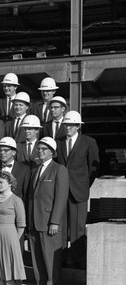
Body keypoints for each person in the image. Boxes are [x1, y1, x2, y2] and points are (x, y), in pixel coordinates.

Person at [27, 137, 69, 285]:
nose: (40, 151)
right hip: (34, 222)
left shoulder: (59, 170)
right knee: (37, 259)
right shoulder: (35, 171)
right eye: (39, 148)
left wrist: (55, 222)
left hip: (49, 223)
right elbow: (31, 198)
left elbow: (61, 198)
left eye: (44, 149)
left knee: (51, 259)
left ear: (52, 151)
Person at [56, 111, 99, 268]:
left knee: (78, 228)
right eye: (66, 125)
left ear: (78, 127)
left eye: (72, 125)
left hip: (78, 191)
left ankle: (78, 260)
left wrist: (84, 184)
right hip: (61, 191)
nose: (68, 127)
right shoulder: (58, 142)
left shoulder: (88, 142)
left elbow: (95, 165)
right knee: (60, 227)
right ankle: (60, 260)